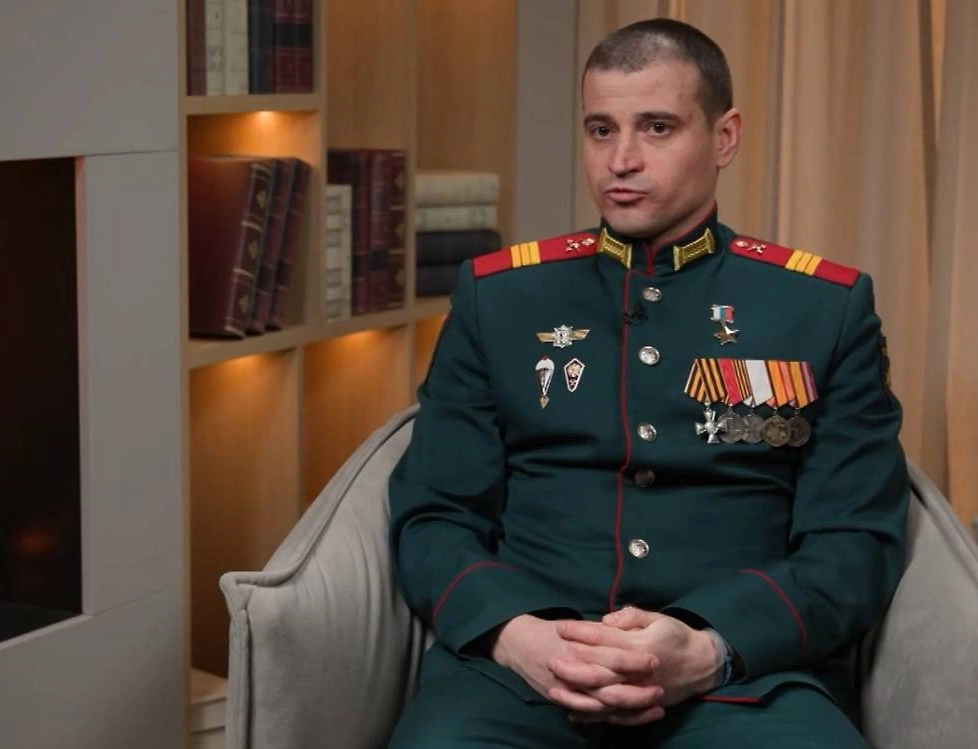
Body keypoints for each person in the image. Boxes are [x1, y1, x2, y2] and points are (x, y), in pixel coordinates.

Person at [387, 17, 908, 748]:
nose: (621, 160)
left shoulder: (822, 308)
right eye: (600, 130)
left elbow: (855, 542)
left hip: (740, 684)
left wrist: (709, 648)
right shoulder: (499, 297)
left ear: (724, 138)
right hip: (521, 680)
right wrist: (517, 635)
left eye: (657, 128)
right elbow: (434, 513)